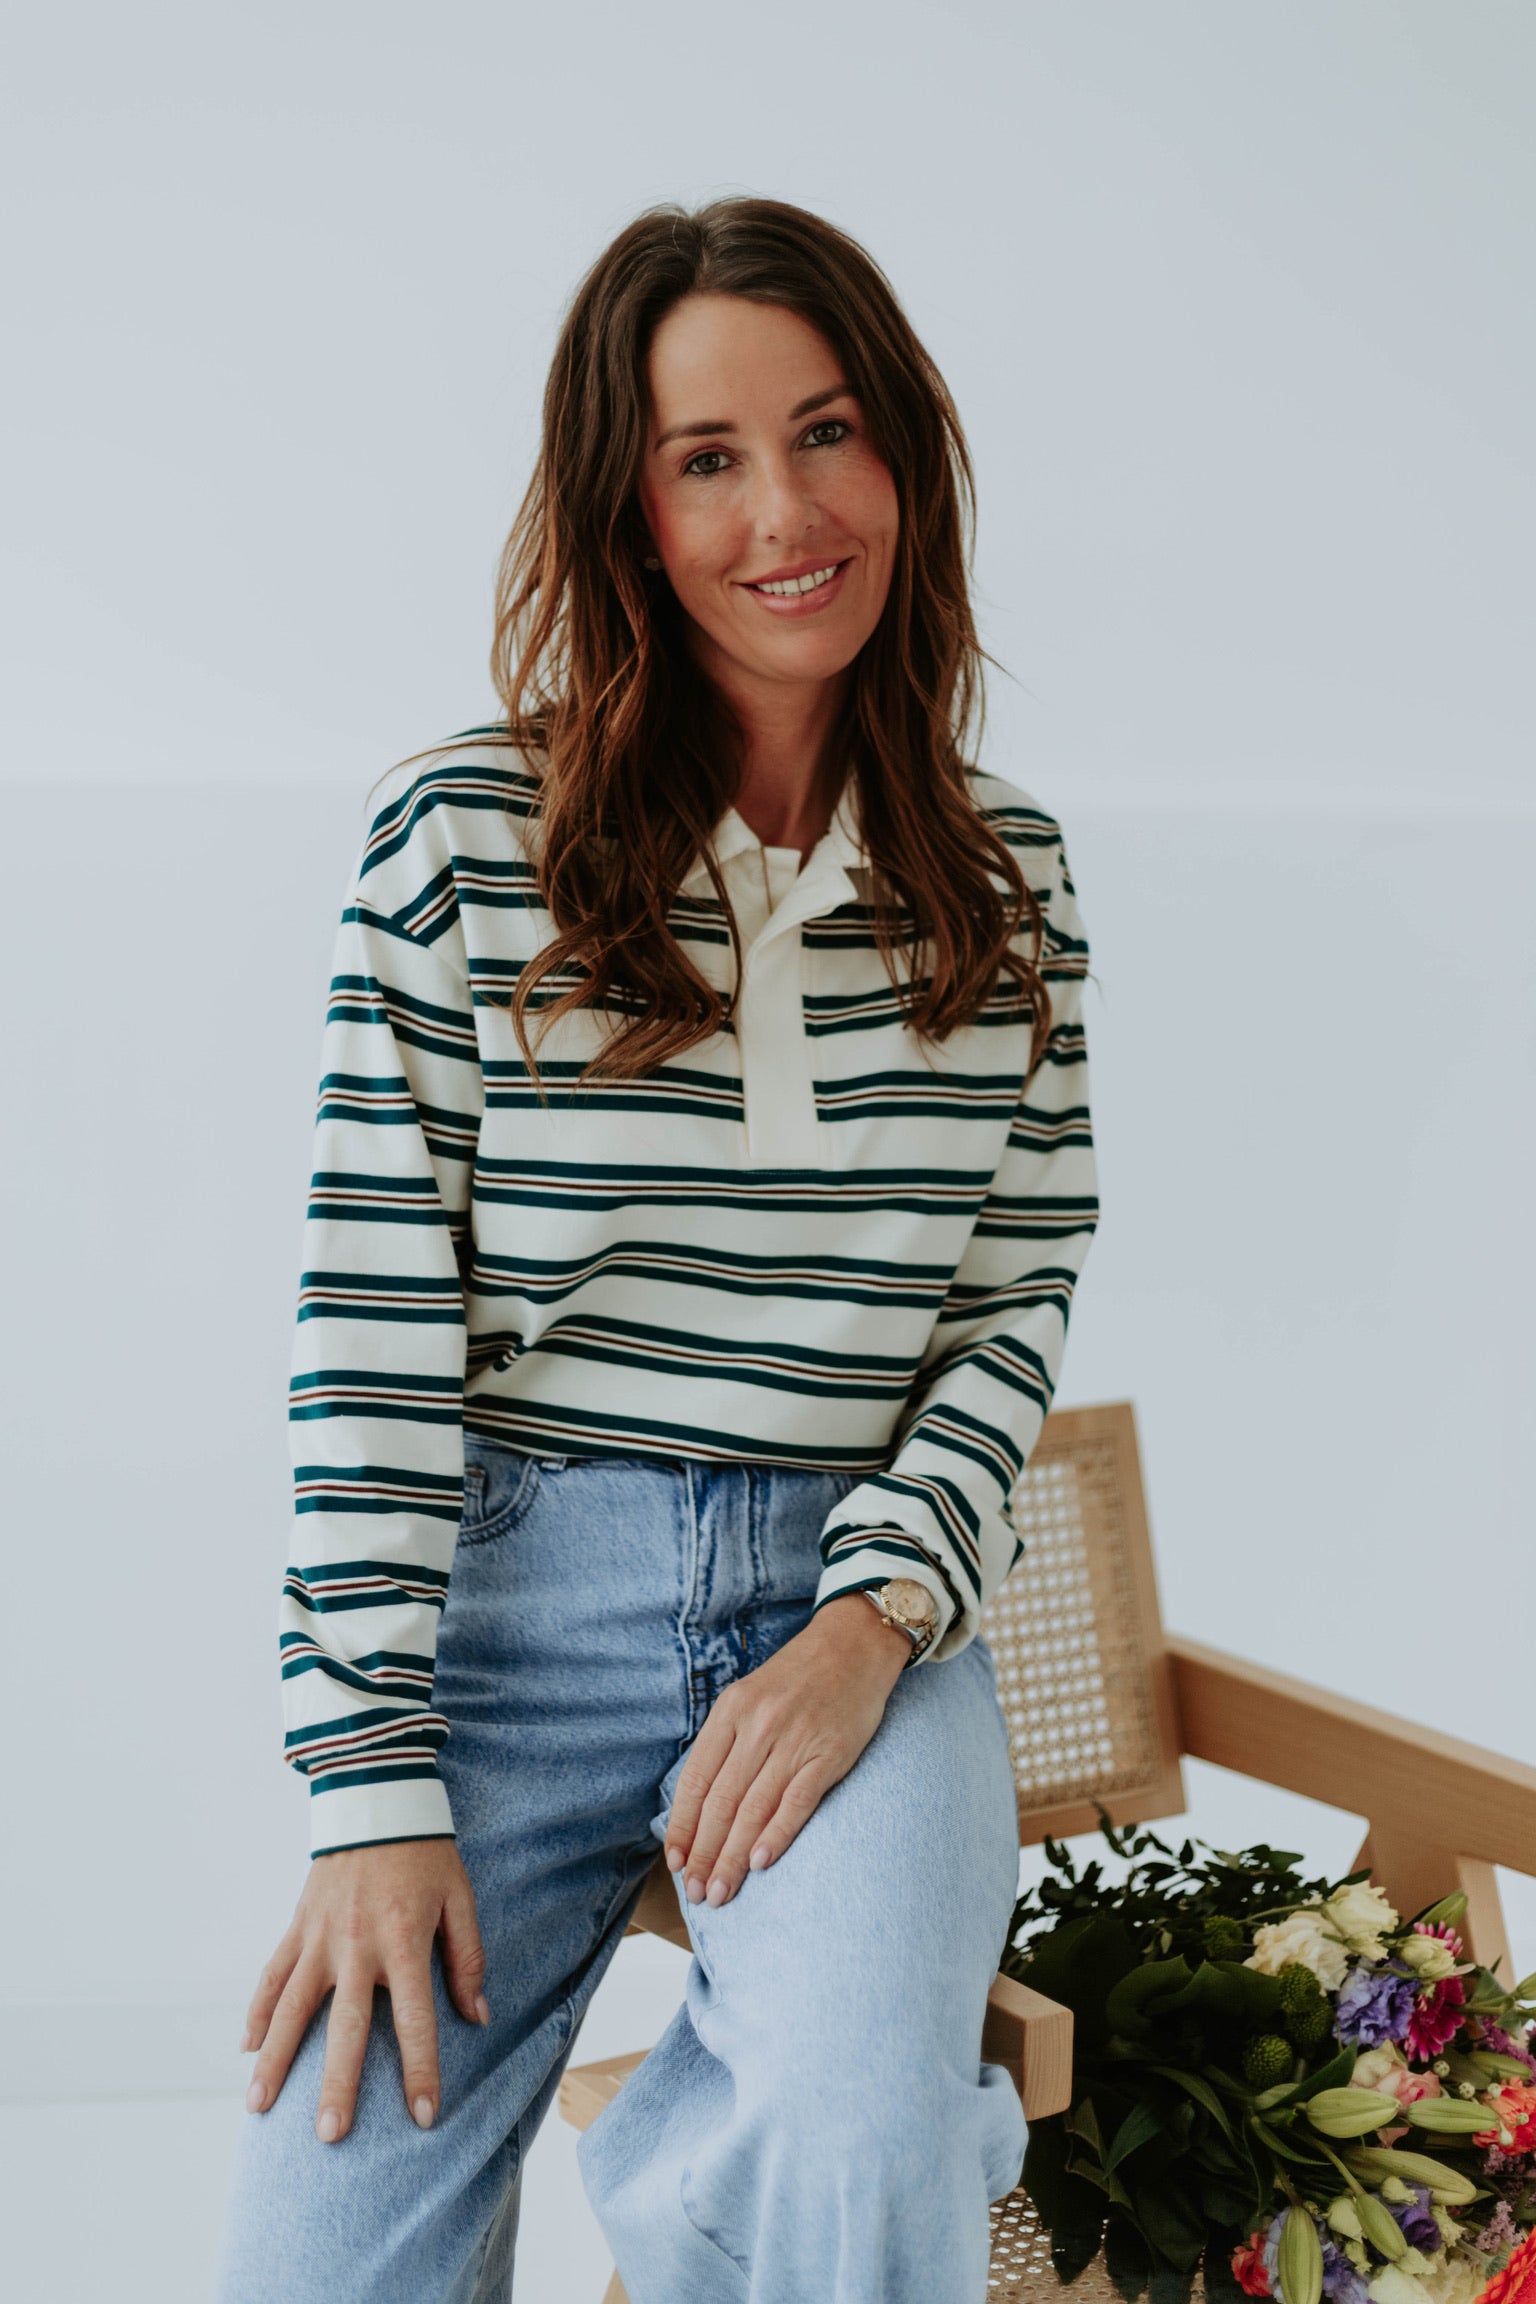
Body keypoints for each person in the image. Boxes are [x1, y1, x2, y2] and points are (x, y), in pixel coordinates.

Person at [215, 194, 1099, 2304]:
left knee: (861, 2145)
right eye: (708, 458)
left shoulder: (1009, 881)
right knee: (317, 2268)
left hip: (852, 1618)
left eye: (828, 431)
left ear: (905, 456)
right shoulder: (461, 839)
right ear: (629, 511)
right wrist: (368, 1790)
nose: (785, 512)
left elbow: (1009, 1309)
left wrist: (871, 1625)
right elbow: (370, 1335)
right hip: (509, 1612)